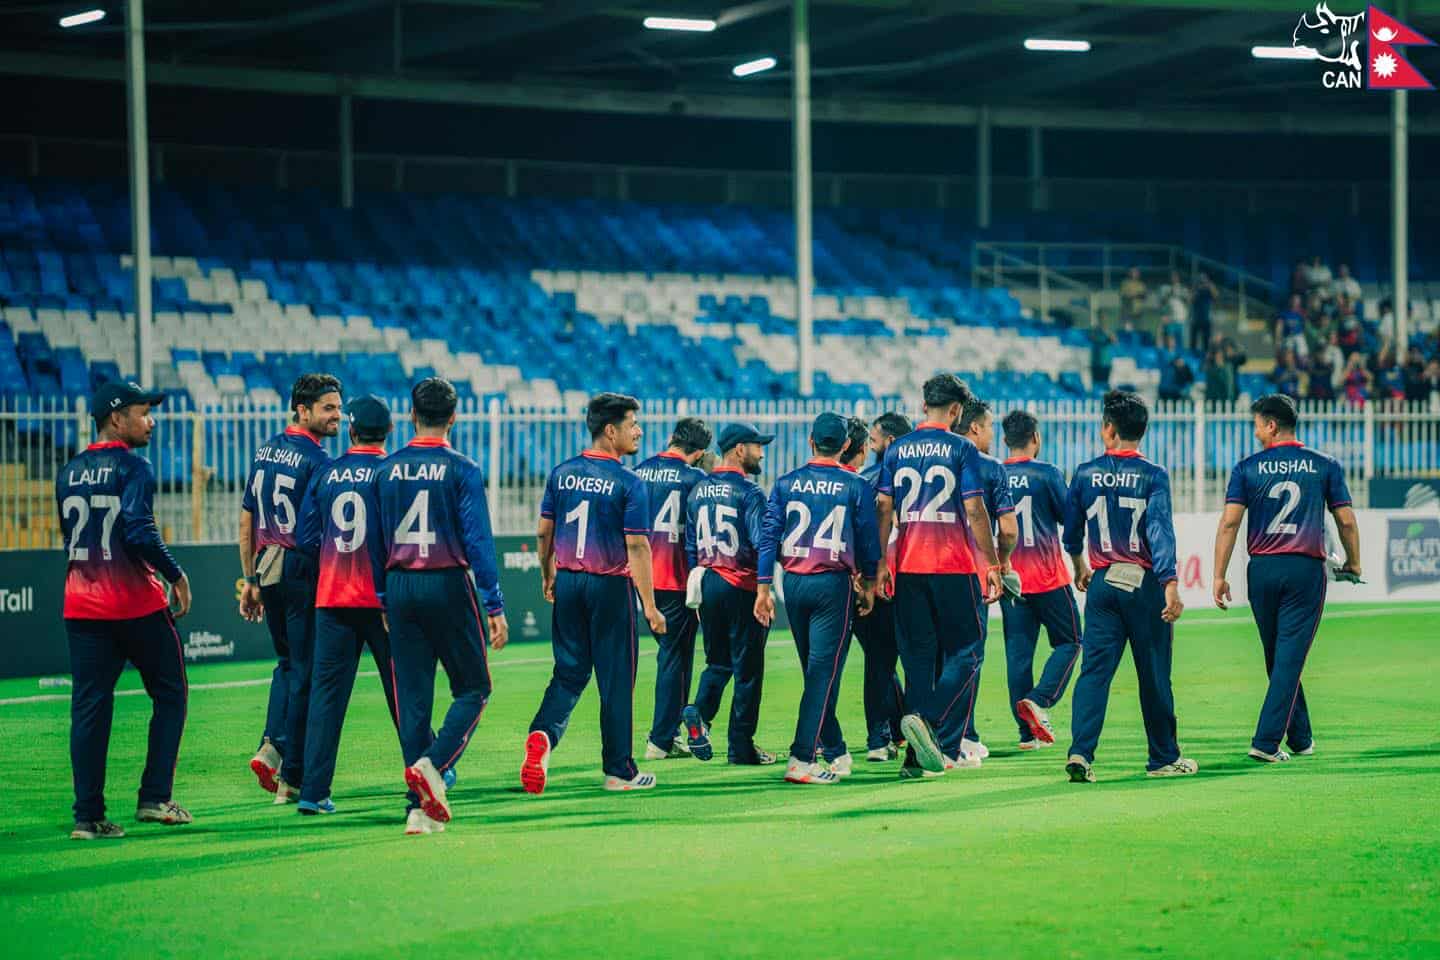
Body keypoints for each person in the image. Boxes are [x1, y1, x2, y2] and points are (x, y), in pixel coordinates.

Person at [59, 381, 194, 839]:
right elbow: (138, 530)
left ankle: (88, 817)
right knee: (171, 693)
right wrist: (176, 574)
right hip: (135, 605)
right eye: (143, 412)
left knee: (89, 708)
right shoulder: (134, 467)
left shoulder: (68, 471)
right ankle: (154, 797)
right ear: (117, 419)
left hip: (81, 605)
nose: (151, 421)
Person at [375, 377, 508, 834]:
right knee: (474, 688)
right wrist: (494, 604)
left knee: (413, 700)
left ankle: (418, 810)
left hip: (399, 585)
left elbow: (374, 542)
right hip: (448, 583)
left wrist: (382, 598)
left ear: (411, 415)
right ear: (454, 417)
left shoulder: (386, 469)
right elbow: (478, 541)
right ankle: (432, 767)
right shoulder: (462, 469)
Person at [524, 392, 665, 794]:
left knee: (568, 673)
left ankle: (543, 735)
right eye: (632, 424)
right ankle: (619, 770)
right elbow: (637, 546)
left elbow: (543, 532)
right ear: (610, 430)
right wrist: (650, 606)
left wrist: (548, 573)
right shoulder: (629, 482)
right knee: (616, 681)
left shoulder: (562, 473)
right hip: (610, 586)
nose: (639, 431)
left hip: (569, 581)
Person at [1213, 394, 1361, 763]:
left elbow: (1230, 523)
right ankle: (1266, 742)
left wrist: (1219, 574)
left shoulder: (1246, 468)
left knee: (1278, 657)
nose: (1255, 432)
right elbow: (1345, 521)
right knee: (1289, 658)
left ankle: (1301, 737)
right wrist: (1354, 563)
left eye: (1257, 425)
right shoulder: (1325, 465)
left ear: (1272, 425)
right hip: (1304, 570)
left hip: (1262, 569)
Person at [1062, 391, 1195, 783]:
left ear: (1109, 429)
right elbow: (1159, 531)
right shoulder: (1154, 474)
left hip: (1102, 582)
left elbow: (1071, 532)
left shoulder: (1084, 472)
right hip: (1142, 584)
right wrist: (1170, 582)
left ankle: (1080, 752)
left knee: (1094, 673)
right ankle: (1163, 758)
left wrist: (1079, 565)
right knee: (1153, 673)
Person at [875, 374, 1003, 778]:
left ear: (924, 404)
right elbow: (975, 510)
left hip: (908, 566)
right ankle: (928, 721)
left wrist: (879, 563)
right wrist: (992, 563)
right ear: (956, 410)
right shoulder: (962, 448)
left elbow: (883, 507)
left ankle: (916, 761)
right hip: (953, 565)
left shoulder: (897, 449)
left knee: (918, 662)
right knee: (968, 652)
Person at [292, 395, 406, 817]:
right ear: (390, 430)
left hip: (333, 596)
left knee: (327, 695)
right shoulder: (394, 472)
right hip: (383, 600)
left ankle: (313, 791)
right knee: (403, 689)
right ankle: (428, 770)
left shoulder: (326, 473)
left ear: (352, 430)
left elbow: (305, 538)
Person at [755, 413, 880, 784]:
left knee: (815, 672)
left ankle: (835, 748)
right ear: (846, 445)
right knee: (823, 674)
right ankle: (802, 758)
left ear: (811, 441)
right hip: (832, 584)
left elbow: (768, 537)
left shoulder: (785, 483)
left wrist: (763, 588)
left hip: (793, 583)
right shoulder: (856, 485)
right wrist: (868, 583)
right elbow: (868, 542)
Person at [240, 373, 342, 803]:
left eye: (339, 408)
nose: (338, 416)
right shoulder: (318, 461)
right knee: (306, 673)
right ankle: (292, 777)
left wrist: (250, 579)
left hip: (267, 566)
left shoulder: (265, 451)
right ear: (303, 410)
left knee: (287, 664)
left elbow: (246, 519)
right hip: (301, 568)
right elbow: (322, 531)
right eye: (329, 408)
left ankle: (272, 746)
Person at [682, 422, 775, 765]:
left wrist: (698, 587)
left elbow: (690, 547)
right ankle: (740, 747)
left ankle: (699, 712)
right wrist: (764, 590)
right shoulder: (750, 493)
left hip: (708, 582)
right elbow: (762, 544)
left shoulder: (697, 492)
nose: (761, 452)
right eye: (757, 446)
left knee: (717, 662)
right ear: (739, 449)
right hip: (742, 585)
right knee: (748, 672)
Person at [998, 410, 1083, 752]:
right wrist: (1080, 564)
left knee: (1018, 657)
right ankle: (1039, 700)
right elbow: (1070, 521)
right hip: (1048, 576)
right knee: (1071, 640)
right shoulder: (1047, 473)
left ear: (1005, 440)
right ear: (1036, 438)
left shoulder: (995, 474)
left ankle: (1026, 734)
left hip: (1010, 579)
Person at [632, 417, 712, 761]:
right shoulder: (696, 479)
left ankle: (670, 733)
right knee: (674, 658)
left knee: (673, 655)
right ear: (701, 451)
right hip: (677, 578)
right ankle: (660, 740)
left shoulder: (638, 472)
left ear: (671, 438)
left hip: (642, 577)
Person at [942, 399, 1017, 764]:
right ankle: (962, 738)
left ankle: (926, 732)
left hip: (924, 568)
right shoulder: (988, 466)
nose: (992, 434)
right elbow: (1009, 529)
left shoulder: (931, 460)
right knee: (968, 656)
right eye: (989, 427)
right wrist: (1000, 562)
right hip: (971, 571)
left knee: (934, 657)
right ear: (974, 427)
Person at [852, 412, 911, 761]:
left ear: (889, 441)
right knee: (918, 660)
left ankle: (879, 738)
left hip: (872, 581)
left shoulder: (864, 481)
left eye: (874, 438)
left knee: (878, 662)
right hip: (912, 578)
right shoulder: (916, 479)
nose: (870, 443)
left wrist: (864, 577)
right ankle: (928, 733)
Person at [1190, 273, 1217, 354]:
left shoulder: (1209, 291)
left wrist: (1210, 286)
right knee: (1193, 341)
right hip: (1196, 319)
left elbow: (1216, 296)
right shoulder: (1196, 290)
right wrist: (1196, 289)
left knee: (1206, 341)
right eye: (1201, 282)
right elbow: (1191, 300)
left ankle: (1205, 355)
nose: (1202, 284)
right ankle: (1192, 355)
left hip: (1206, 319)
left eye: (1204, 282)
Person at [1088, 321, 1116, 390]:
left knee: (1104, 383)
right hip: (1095, 363)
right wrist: (1096, 330)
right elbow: (1091, 337)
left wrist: (1107, 331)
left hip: (1105, 364)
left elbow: (1114, 340)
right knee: (1095, 383)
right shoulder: (1095, 334)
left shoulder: (1107, 335)